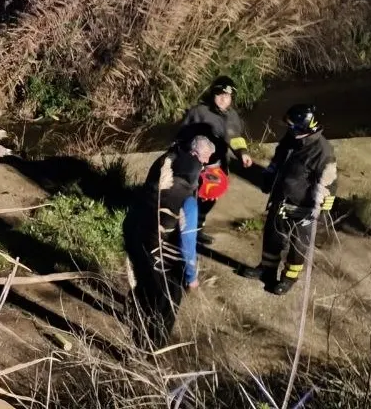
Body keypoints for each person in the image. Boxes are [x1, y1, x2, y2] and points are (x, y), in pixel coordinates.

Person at [123, 135, 216, 348]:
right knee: (167, 301)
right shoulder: (188, 202)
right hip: (159, 251)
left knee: (143, 285)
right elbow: (187, 245)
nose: (204, 164)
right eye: (203, 161)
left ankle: (134, 319)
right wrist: (191, 277)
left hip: (136, 234)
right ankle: (152, 349)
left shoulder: (165, 162)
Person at [240, 104, 337, 295]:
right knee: (272, 236)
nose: (289, 129)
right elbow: (278, 159)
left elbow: (328, 184)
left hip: (303, 207)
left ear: (305, 127)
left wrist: (318, 211)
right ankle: (266, 270)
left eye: (293, 126)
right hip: (281, 199)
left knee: (297, 246)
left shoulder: (322, 152)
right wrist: (269, 177)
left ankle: (288, 278)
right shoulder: (292, 138)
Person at [176, 76, 253, 245]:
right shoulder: (198, 112)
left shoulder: (232, 116)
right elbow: (181, 137)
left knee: (210, 198)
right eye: (219, 95)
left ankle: (197, 230)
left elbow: (235, 137)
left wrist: (242, 152)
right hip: (196, 165)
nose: (223, 99)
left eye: (227, 96)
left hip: (217, 165)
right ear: (212, 94)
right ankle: (182, 232)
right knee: (191, 199)